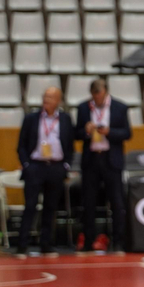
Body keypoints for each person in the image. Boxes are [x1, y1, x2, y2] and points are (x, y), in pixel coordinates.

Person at [76, 77, 133, 255]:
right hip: (92, 159)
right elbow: (75, 133)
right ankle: (88, 242)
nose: (97, 100)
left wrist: (110, 132)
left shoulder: (120, 107)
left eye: (99, 96)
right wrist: (85, 131)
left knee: (116, 203)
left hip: (111, 160)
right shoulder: (84, 108)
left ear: (105, 92)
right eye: (94, 96)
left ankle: (118, 242)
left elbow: (127, 133)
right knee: (89, 203)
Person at [16, 85, 75, 257]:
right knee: (30, 206)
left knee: (50, 207)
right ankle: (22, 245)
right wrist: (26, 164)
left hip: (56, 167)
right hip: (35, 166)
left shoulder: (65, 119)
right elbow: (21, 145)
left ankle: (46, 244)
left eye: (50, 97)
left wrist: (66, 165)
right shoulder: (31, 118)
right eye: (44, 97)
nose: (46, 100)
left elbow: (70, 145)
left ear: (58, 100)